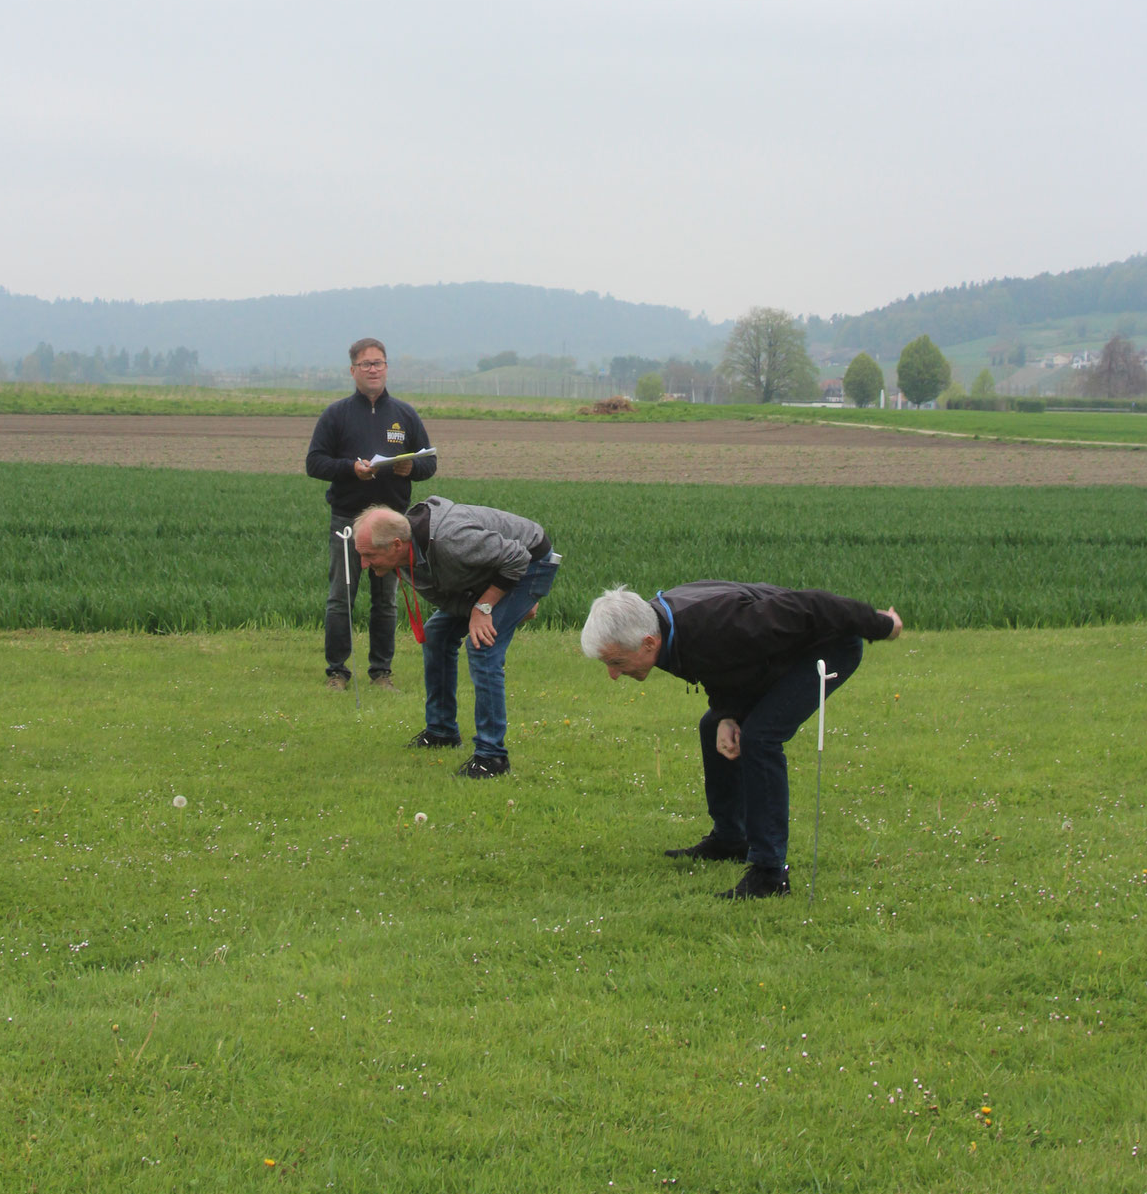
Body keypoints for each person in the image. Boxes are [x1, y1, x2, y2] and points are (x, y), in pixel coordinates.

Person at [581, 581, 903, 899]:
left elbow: (814, 605)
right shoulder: (663, 625)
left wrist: (883, 626)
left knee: (761, 737)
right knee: (713, 727)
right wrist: (726, 714)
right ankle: (730, 839)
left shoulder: (723, 622)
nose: (612, 674)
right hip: (775, 656)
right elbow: (721, 664)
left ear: (648, 644)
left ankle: (769, 874)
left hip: (828, 648)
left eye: (616, 662)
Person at [353, 496, 560, 778]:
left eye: (369, 555)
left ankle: (492, 758)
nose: (364, 564)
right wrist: (481, 610)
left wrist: (488, 607)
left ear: (396, 545)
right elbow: (449, 597)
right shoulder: (407, 556)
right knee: (437, 634)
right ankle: (442, 732)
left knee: (482, 647)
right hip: (491, 571)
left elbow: (517, 558)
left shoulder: (451, 540)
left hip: (529, 563)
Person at [305, 338, 436, 691]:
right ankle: (337, 672)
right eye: (366, 364)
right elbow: (314, 463)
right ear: (353, 371)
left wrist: (411, 468)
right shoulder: (336, 414)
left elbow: (430, 463)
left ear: (387, 368)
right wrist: (351, 468)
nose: (373, 369)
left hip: (393, 523)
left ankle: (382, 672)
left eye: (379, 363)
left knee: (385, 600)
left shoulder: (405, 415)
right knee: (340, 597)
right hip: (347, 520)